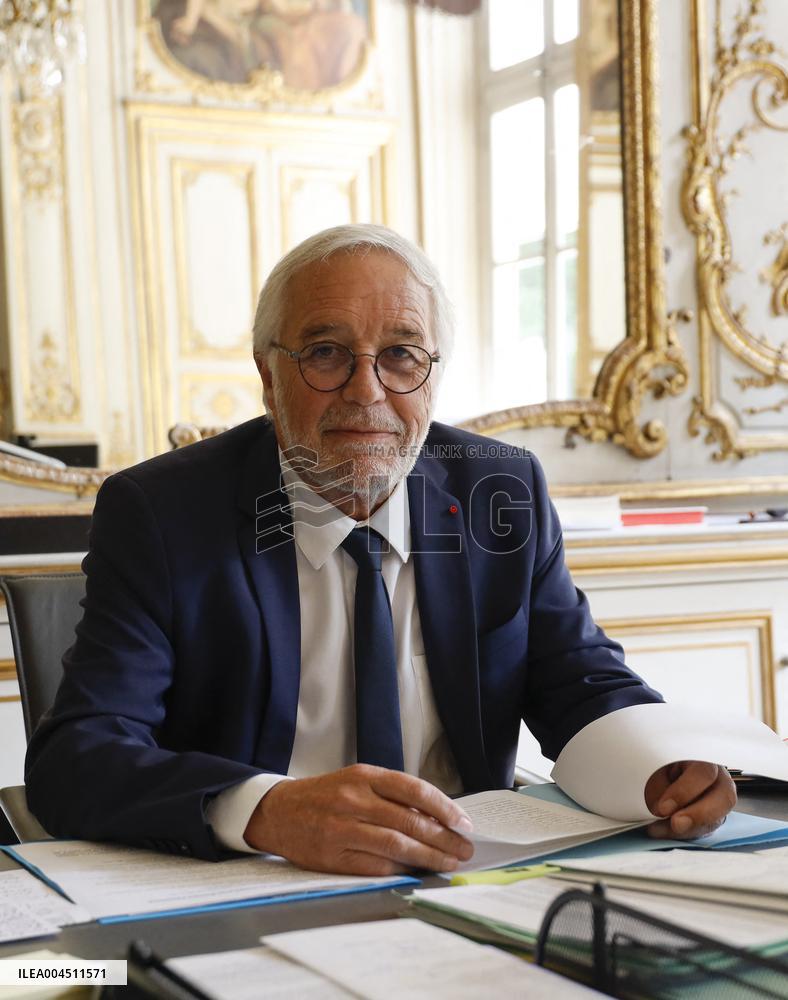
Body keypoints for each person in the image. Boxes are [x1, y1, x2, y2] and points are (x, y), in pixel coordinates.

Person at [25, 225, 736, 874]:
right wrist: (267, 811)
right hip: (256, 882)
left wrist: (660, 763)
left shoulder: (500, 491)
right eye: (325, 353)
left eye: (400, 355)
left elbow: (582, 684)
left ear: (433, 372)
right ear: (269, 378)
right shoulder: (165, 514)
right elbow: (76, 761)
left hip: (473, 877)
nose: (366, 391)